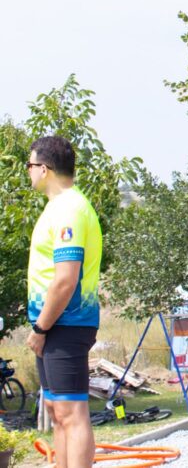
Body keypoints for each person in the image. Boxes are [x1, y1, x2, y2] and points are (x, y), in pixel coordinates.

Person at [25, 136, 102, 468]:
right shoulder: (56, 207)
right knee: (57, 410)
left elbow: (66, 278)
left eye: (29, 165)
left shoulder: (70, 209)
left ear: (44, 169)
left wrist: (41, 328)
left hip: (65, 323)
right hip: (52, 323)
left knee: (72, 412)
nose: (28, 172)